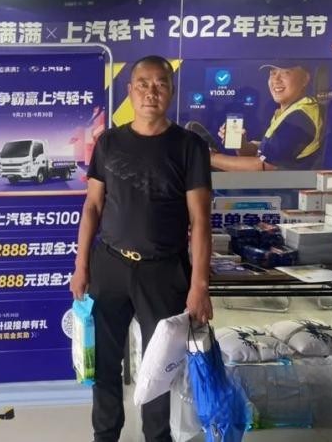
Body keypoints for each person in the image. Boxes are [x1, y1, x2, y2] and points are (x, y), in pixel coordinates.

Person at [70, 55, 213, 442]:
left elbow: (200, 220)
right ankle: (105, 435)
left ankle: (157, 437)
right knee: (104, 362)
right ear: (130, 90)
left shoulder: (189, 147)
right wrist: (81, 266)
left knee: (159, 366)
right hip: (110, 266)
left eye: (161, 83)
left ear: (171, 91)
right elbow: (92, 206)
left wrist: (199, 285)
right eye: (143, 84)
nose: (152, 91)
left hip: (164, 271)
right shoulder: (109, 142)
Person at [210, 61, 323, 171]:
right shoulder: (287, 111)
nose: (276, 79)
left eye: (285, 72)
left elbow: (263, 166)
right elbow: (265, 153)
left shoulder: (299, 118)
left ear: (305, 79)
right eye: (273, 73)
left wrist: (210, 157)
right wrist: (241, 145)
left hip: (287, 184)